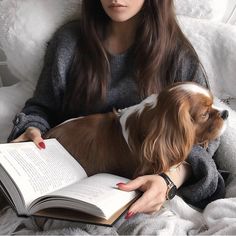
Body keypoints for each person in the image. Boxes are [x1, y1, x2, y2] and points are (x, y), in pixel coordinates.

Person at [8, 0, 225, 219]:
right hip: (63, 179)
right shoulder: (69, 42)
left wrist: (168, 181)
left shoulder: (177, 55)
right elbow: (41, 107)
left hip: (141, 194)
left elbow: (204, 145)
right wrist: (31, 127)